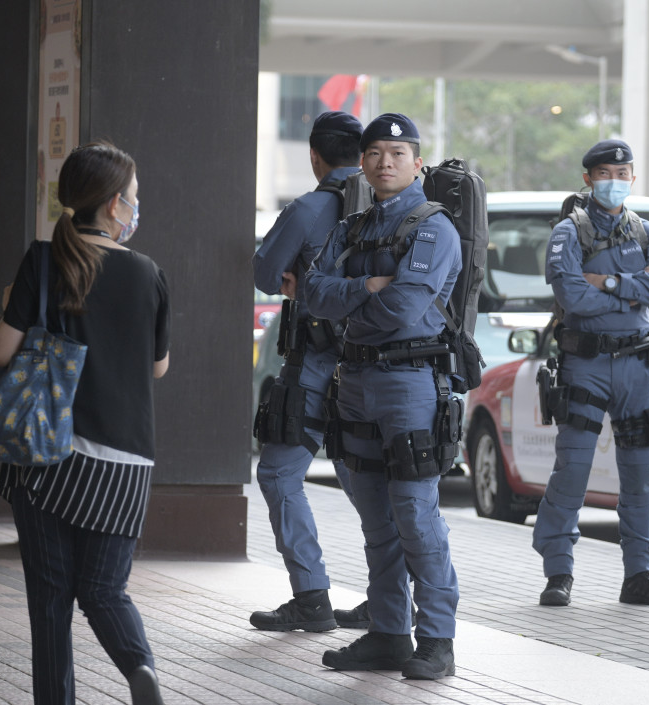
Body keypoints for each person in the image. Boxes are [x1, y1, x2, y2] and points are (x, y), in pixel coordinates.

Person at [0, 142, 170, 705]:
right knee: (103, 589)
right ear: (116, 206)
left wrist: (9, 307)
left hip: (47, 452)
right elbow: (159, 367)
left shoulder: (43, 261)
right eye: (135, 199)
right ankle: (138, 665)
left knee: (50, 597)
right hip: (124, 463)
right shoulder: (147, 273)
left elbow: (2, 353)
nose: (137, 208)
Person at [304, 113, 461, 680]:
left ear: (418, 161)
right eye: (375, 153)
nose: (385, 162)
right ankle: (390, 633)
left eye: (398, 152)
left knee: (416, 516)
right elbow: (312, 295)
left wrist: (352, 301)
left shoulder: (433, 228)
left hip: (409, 383)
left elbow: (405, 308)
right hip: (356, 384)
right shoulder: (353, 226)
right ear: (363, 163)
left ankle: (437, 639)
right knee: (375, 518)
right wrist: (365, 286)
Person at [534, 139, 649, 609]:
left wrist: (612, 282)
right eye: (604, 173)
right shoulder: (568, 233)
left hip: (638, 366)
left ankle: (640, 575)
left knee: (641, 475)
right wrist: (638, 289)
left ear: (633, 178)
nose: (614, 182)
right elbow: (574, 297)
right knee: (572, 471)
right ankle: (558, 572)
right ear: (587, 178)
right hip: (587, 365)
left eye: (622, 174)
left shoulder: (647, 231)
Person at [250, 111, 370, 632]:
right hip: (376, 367)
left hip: (316, 364)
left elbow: (262, 273)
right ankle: (389, 598)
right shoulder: (396, 207)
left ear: (315, 157)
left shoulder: (310, 207)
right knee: (366, 480)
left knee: (279, 474)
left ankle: (312, 597)